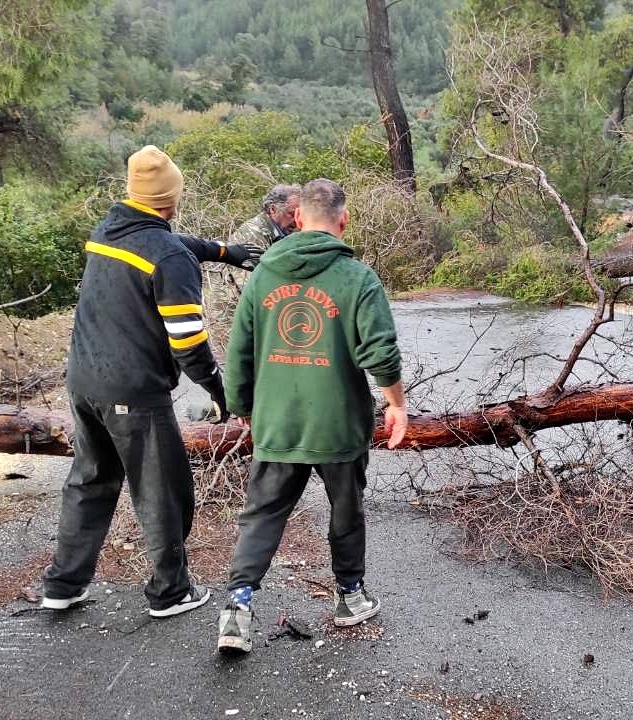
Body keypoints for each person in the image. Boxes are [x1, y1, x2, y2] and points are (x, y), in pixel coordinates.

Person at [216, 178, 408, 654]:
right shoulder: (358, 277)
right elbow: (381, 352)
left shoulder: (262, 275)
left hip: (277, 421)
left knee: (262, 514)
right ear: (342, 222)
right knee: (346, 511)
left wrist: (242, 407)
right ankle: (350, 597)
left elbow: (239, 351)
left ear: (298, 218)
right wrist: (396, 405)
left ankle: (237, 608)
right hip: (339, 424)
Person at [40, 145, 230, 618]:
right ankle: (170, 592)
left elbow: (171, 242)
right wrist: (219, 389)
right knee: (163, 491)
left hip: (83, 382)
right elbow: (187, 341)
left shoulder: (108, 230)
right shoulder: (167, 257)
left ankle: (63, 585)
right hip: (132, 392)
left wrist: (226, 252)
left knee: (91, 481)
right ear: (172, 198)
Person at [229, 184, 302, 250]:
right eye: (292, 214)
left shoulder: (282, 231)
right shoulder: (254, 233)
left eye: (299, 215)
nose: (296, 219)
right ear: (273, 209)